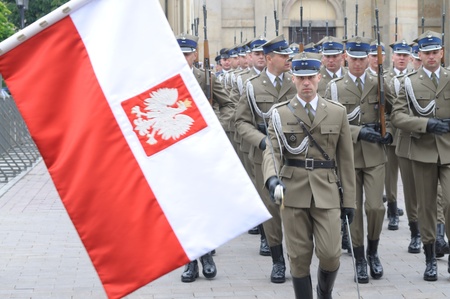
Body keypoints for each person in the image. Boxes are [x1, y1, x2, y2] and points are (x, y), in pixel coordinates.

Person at [262, 52, 356, 298]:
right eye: (301, 78)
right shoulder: (280, 113)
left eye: (311, 78)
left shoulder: (337, 112)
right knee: (299, 257)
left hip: (327, 190)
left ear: (319, 78)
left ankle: (324, 292)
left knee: (330, 254)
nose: (306, 83)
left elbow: (346, 160)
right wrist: (272, 178)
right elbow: (272, 151)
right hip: (293, 192)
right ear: (292, 78)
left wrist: (350, 201)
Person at [324, 36, 394, 284]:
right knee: (353, 209)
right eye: (353, 59)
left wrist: (390, 131)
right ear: (346, 58)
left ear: (369, 60)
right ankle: (360, 258)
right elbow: (330, 121)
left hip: (375, 154)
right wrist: (357, 131)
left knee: (375, 207)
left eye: (362, 59)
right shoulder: (335, 87)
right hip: (349, 156)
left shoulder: (380, 83)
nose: (357, 64)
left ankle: (374, 252)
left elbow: (394, 112)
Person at [235, 34, 296, 283]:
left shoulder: (297, 82)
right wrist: (260, 140)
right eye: (283, 56)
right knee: (272, 208)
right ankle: (278, 260)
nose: (288, 59)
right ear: (270, 59)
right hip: (265, 156)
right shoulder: (253, 86)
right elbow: (241, 121)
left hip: (294, 156)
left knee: (294, 208)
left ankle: (297, 257)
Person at [391, 31, 450, 281]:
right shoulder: (408, 82)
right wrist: (426, 125)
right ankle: (430, 257)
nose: (431, 57)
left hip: (448, 149)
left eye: (435, 52)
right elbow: (398, 117)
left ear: (442, 52)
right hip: (422, 151)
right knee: (425, 207)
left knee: (448, 201)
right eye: (426, 53)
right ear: (420, 55)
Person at [176, 33, 234, 282]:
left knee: (205, 203)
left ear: (195, 55)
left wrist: (215, 125)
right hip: (178, 151)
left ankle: (207, 255)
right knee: (185, 206)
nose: (183, 59)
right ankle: (190, 260)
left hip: (204, 149)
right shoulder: (164, 80)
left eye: (187, 54)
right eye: (179, 54)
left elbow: (229, 105)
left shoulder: (206, 78)